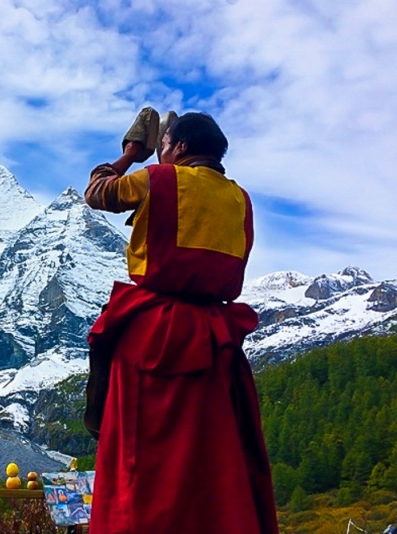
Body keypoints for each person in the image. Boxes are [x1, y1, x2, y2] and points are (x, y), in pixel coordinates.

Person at [83, 111, 279, 533]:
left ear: (182, 148)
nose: (161, 152)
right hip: (214, 340)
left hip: (152, 332)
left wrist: (130, 155)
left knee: (142, 462)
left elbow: (97, 193)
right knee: (210, 461)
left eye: (165, 144)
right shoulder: (240, 199)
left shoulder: (155, 178)